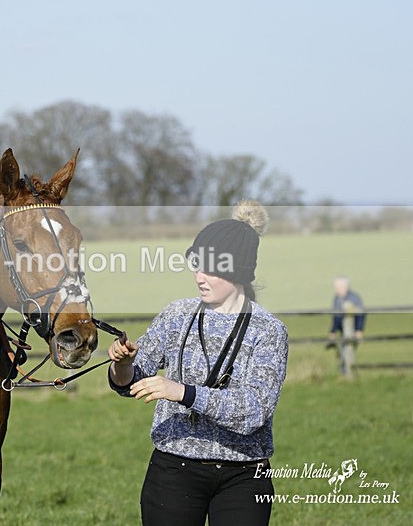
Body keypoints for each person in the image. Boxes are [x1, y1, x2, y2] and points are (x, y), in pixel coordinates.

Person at [108, 201, 288, 526]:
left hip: (244, 476)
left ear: (239, 271)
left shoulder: (269, 330)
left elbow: (254, 411)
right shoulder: (177, 314)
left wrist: (182, 392)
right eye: (196, 266)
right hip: (173, 471)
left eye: (210, 269)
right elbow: (131, 382)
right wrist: (122, 365)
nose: (199, 277)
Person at [328, 276, 366, 340]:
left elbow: (360, 314)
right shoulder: (337, 298)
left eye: (339, 287)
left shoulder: (354, 298)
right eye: (336, 287)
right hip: (342, 328)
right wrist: (333, 330)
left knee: (349, 345)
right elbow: (337, 316)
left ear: (346, 287)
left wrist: (358, 329)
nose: (336, 289)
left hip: (352, 326)